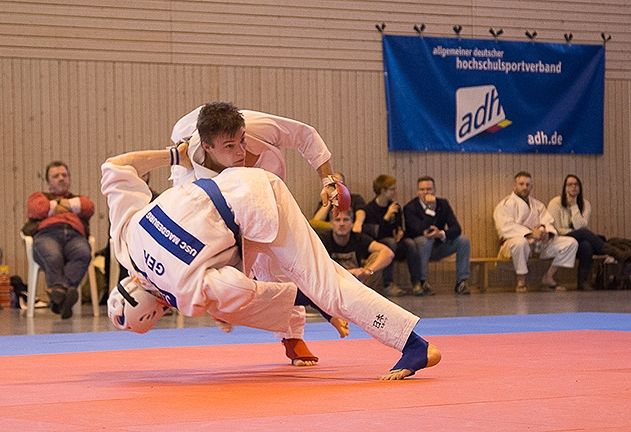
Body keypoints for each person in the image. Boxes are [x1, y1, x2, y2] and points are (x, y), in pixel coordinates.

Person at [101, 142, 441, 380]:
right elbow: (116, 166)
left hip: (259, 208)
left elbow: (247, 290)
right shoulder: (126, 241)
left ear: (156, 312)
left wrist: (219, 309)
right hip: (237, 183)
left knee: (328, 287)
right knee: (292, 278)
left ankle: (415, 346)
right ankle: (303, 325)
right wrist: (175, 154)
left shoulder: (185, 292)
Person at [170, 103, 343, 367]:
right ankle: (224, 307)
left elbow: (305, 135)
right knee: (227, 267)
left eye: (242, 141)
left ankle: (293, 337)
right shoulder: (188, 177)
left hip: (269, 191)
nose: (240, 151)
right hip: (224, 207)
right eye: (230, 146)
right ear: (207, 148)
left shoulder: (257, 126)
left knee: (280, 264)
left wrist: (327, 179)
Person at [23, 161, 95, 318]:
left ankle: (59, 294)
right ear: (48, 183)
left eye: (64, 175)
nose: (61, 178)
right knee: (53, 255)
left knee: (83, 254)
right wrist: (71, 206)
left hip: (75, 236)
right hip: (47, 234)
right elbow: (37, 208)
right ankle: (66, 293)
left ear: (69, 178)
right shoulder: (38, 196)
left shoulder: (79, 197)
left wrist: (55, 206)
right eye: (56, 176)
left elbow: (88, 207)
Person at [493, 171, 578, 292]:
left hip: (538, 244)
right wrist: (530, 233)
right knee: (520, 242)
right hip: (513, 246)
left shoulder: (537, 205)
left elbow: (548, 221)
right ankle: (521, 281)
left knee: (571, 243)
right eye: (521, 184)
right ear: (514, 186)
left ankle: (548, 276)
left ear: (531, 187)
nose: (525, 187)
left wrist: (545, 233)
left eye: (528, 185)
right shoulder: (505, 205)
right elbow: (505, 227)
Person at [404, 176, 471, 296]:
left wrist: (440, 234)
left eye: (429, 189)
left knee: (463, 240)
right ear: (417, 191)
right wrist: (430, 209)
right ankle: (422, 281)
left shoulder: (443, 204)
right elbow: (418, 229)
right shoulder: (410, 207)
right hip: (420, 250)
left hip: (439, 246)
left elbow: (456, 228)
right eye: (422, 189)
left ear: (434, 190)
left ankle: (461, 282)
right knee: (425, 240)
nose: (426, 192)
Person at [361, 175, 419, 297]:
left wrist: (400, 234)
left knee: (410, 244)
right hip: (378, 246)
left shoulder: (395, 207)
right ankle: (388, 284)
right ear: (383, 190)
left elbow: (399, 226)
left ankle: (416, 282)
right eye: (392, 189)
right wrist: (386, 217)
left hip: (394, 242)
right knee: (390, 243)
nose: (395, 192)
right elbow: (375, 234)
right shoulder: (369, 209)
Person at [547, 175, 607, 290]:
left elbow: (580, 225)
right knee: (583, 233)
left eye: (576, 184)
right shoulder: (555, 203)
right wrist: (575, 232)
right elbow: (557, 229)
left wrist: (574, 206)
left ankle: (582, 282)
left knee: (586, 245)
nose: (573, 187)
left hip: (577, 242)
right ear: (564, 188)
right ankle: (609, 250)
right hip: (560, 241)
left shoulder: (586, 204)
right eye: (570, 184)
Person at [319, 209, 394, 290]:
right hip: (333, 284)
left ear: (352, 223)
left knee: (377, 256)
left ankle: (366, 296)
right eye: (337, 220)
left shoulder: (358, 238)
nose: (341, 224)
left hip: (358, 283)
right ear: (331, 224)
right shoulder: (323, 239)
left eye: (346, 220)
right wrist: (350, 272)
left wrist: (368, 270)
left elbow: (388, 253)